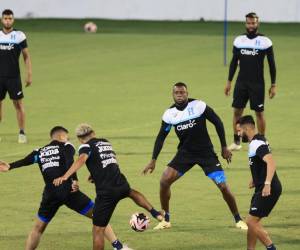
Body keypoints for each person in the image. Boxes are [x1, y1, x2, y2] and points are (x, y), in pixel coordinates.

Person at [0, 126, 131, 250]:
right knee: (98, 216)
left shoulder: (39, 151)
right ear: (62, 136)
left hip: (51, 193)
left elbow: (25, 161)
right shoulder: (67, 146)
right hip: (69, 191)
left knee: (38, 228)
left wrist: (10, 166)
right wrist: (74, 179)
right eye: (67, 137)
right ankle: (118, 246)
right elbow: (70, 161)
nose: (68, 139)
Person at [143, 82, 247, 230]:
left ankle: (238, 219)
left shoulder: (199, 106)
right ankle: (166, 219)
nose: (180, 95)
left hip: (206, 153)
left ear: (187, 93)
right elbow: (161, 137)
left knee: (223, 186)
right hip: (185, 153)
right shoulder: (169, 114)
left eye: (182, 92)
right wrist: (153, 160)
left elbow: (218, 122)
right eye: (177, 93)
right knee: (164, 181)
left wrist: (224, 147)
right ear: (173, 95)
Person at [53, 124, 163, 250]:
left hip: (106, 193)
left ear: (79, 138)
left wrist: (66, 176)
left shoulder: (85, 146)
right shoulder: (105, 142)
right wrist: (94, 174)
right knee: (131, 192)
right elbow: (107, 159)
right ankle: (156, 213)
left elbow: (82, 159)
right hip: (120, 183)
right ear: (93, 133)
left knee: (98, 229)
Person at [224, 12, 277, 151]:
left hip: (257, 84)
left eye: (253, 23)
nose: (251, 25)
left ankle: (262, 141)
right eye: (248, 23)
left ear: (257, 24)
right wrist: (229, 82)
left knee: (259, 113)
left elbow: (272, 64)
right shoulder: (239, 40)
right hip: (241, 83)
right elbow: (233, 63)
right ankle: (236, 142)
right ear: (245, 24)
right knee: (237, 112)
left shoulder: (265, 41)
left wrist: (273, 84)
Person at [236, 115, 282, 250]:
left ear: (246, 128)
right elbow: (260, 162)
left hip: (268, 188)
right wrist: (255, 178)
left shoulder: (257, 143)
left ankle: (271, 248)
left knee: (251, 221)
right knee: (252, 221)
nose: (238, 134)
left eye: (239, 131)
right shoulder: (258, 140)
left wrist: (267, 183)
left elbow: (271, 162)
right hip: (261, 186)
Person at [0, 9, 32, 143]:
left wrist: (29, 73)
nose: (7, 20)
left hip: (14, 77)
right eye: (5, 18)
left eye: (10, 18)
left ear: (13, 20)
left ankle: (22, 132)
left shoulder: (19, 35)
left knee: (18, 104)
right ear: (2, 19)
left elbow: (26, 56)